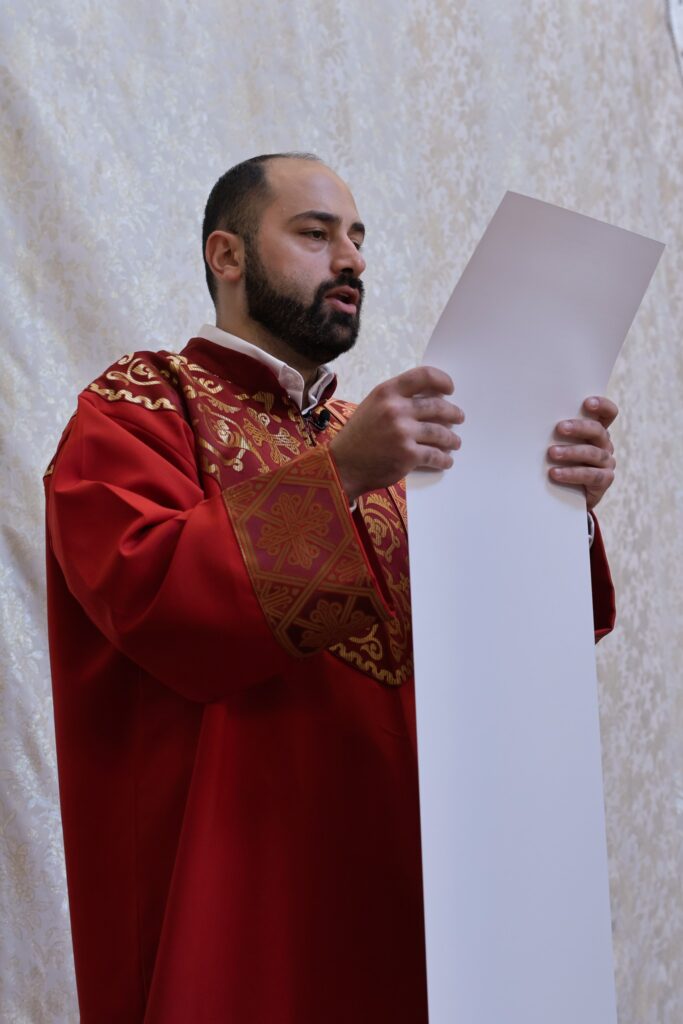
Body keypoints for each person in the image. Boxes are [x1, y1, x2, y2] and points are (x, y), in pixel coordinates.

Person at [44, 152, 617, 1023]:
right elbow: (150, 594)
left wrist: (555, 502)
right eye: (315, 234)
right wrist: (338, 476)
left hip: (414, 898)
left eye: (356, 238)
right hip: (242, 897)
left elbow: (495, 640)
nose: (350, 259)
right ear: (227, 255)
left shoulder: (382, 443)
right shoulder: (140, 408)